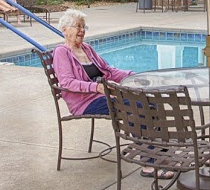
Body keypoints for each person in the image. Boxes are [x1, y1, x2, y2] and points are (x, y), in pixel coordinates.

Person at [52, 9, 172, 179]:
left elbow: (107, 70)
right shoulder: (61, 52)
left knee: (152, 102)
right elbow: (67, 83)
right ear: (64, 29)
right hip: (85, 102)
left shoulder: (87, 48)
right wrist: (96, 88)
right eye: (78, 26)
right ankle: (148, 163)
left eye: (84, 27)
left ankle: (161, 152)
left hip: (106, 94)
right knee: (136, 107)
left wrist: (132, 75)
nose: (82, 31)